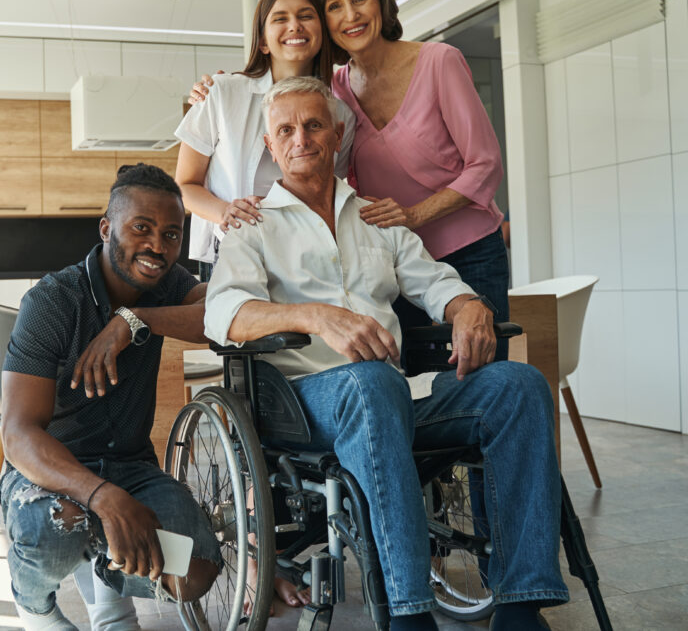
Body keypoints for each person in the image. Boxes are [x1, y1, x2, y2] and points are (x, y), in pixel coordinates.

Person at [204, 77, 567, 631]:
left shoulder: (376, 217)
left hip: (391, 395)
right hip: (306, 406)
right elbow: (223, 314)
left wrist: (467, 304)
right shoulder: (251, 225)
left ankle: (520, 606)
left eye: (314, 124)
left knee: (518, 387)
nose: (301, 138)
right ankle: (408, 613)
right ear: (270, 148)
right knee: (370, 383)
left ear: (337, 133)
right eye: (286, 130)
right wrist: (315, 314)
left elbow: (433, 280)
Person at [0, 164, 221, 631]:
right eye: (141, 228)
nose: (158, 246)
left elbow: (219, 313)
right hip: (52, 471)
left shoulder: (166, 285)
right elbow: (18, 434)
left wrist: (136, 319)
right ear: (107, 228)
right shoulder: (53, 301)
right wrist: (102, 496)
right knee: (54, 530)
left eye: (172, 234)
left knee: (195, 571)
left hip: (132, 467)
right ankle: (33, 606)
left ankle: (106, 576)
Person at [312, 0, 510, 360]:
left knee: (482, 378)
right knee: (406, 379)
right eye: (334, 6)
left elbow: (485, 164)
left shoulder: (440, 62)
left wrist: (416, 215)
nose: (351, 15)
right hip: (398, 262)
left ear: (382, 4)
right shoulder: (335, 90)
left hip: (470, 251)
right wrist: (216, 88)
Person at [174, 0, 355, 283]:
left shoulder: (341, 114)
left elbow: (330, 189)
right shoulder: (221, 93)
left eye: (306, 16)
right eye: (280, 18)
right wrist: (226, 212)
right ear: (262, 42)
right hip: (233, 248)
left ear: (321, 33)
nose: (295, 26)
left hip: (307, 251)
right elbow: (184, 186)